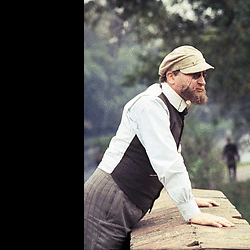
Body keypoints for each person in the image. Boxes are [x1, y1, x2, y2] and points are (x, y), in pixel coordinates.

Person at [84, 45, 234, 250]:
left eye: (204, 74)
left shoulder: (173, 106)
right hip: (109, 201)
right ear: (171, 77)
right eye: (195, 74)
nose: (202, 81)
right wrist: (191, 212)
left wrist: (187, 196)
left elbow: (172, 154)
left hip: (121, 200)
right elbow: (168, 161)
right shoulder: (151, 105)